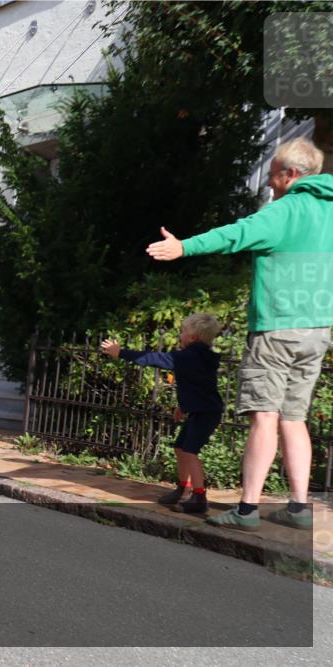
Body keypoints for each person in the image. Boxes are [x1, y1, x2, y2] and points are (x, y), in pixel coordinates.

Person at [147, 137, 333, 531]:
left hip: (276, 329)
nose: (268, 183)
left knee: (264, 417)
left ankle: (247, 510)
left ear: (291, 175)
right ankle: (299, 508)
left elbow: (235, 233)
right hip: (318, 330)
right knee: (294, 418)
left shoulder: (285, 211)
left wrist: (184, 247)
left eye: (272, 175)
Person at [101, 313, 225, 514]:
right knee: (180, 448)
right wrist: (183, 406)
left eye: (183, 332)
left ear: (193, 337)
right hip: (201, 410)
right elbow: (198, 385)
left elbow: (154, 359)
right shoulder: (199, 357)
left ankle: (199, 497)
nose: (180, 335)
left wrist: (121, 352)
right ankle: (183, 488)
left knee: (190, 452)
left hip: (205, 412)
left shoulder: (188, 356)